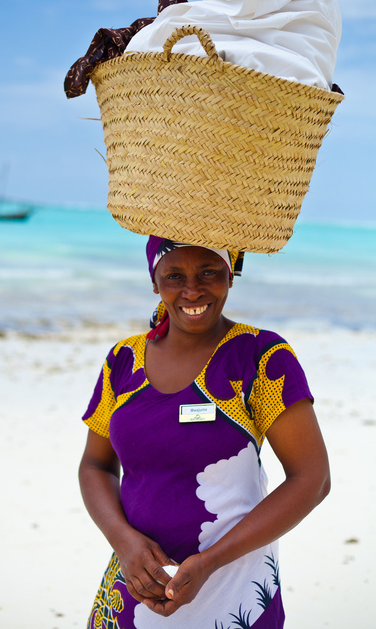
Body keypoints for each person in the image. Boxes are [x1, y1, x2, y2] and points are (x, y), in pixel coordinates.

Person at [79, 236, 330, 628]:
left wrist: (211, 561)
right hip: (135, 586)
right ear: (154, 281)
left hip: (234, 591)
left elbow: (312, 480)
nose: (192, 290)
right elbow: (95, 465)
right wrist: (122, 541)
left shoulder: (260, 357)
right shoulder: (123, 361)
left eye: (209, 272)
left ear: (231, 275)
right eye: (174, 275)